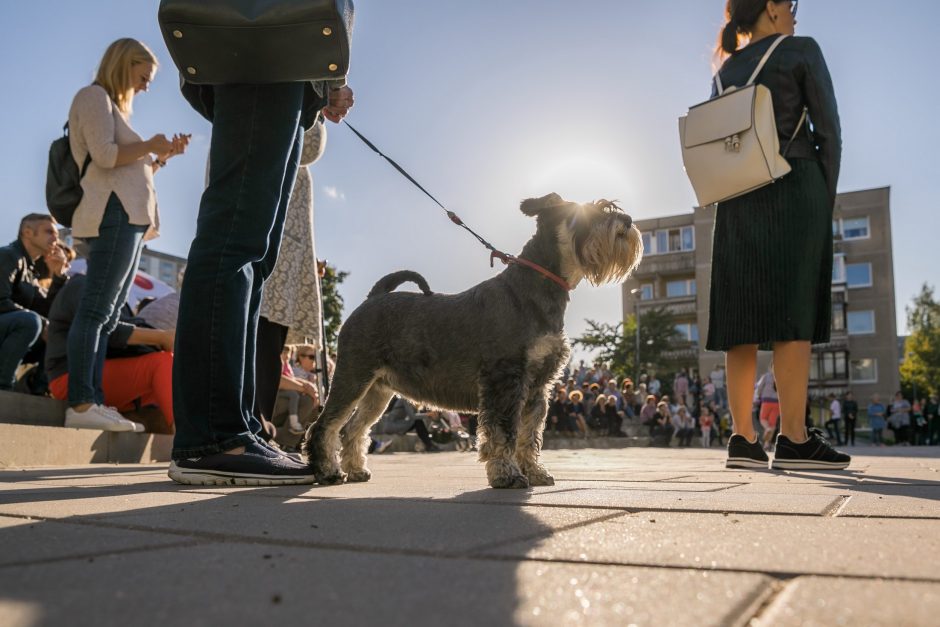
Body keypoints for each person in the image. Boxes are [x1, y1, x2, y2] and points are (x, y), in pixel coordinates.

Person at [167, 30, 355, 485]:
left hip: (283, 61)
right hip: (263, 49)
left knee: (254, 257)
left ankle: (239, 427)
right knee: (234, 242)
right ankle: (213, 437)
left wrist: (325, 80)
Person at [706, 0, 848, 470]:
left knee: (739, 317)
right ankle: (793, 437)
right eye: (790, 3)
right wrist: (822, 200)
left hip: (738, 196)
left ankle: (743, 440)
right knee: (794, 311)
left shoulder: (724, 73)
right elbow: (829, 130)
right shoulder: (800, 49)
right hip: (795, 186)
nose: (794, 11)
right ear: (770, 7)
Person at [66, 39, 188, 431]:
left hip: (129, 219)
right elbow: (104, 155)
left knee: (107, 315)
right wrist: (148, 144)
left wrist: (159, 158)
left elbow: (125, 168)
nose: (147, 85)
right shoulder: (93, 97)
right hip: (112, 216)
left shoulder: (112, 107)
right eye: (144, 76)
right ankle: (83, 404)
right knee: (98, 311)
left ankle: (92, 401)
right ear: (125, 64)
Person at [254, 119, 329, 435]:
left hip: (283, 251)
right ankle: (254, 428)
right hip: (273, 251)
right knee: (264, 342)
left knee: (267, 343)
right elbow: (309, 145)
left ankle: (258, 428)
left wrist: (304, 259)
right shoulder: (293, 108)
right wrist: (320, 106)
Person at [46, 274, 175, 431]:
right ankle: (188, 441)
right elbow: (107, 331)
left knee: (178, 375)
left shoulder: (116, 297)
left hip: (100, 378)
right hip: (70, 377)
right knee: (163, 363)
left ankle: (187, 437)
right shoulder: (83, 285)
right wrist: (161, 337)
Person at [0, 215, 68, 392]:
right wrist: (42, 321)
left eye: (56, 234)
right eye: (49, 232)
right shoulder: (8, 256)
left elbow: (50, 312)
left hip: (10, 332)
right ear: (28, 232)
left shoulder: (31, 270)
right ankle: (4, 388)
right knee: (30, 321)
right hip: (7, 328)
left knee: (60, 330)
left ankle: (40, 390)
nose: (56, 238)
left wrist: (59, 276)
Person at [372, 397, 438, 452]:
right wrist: (428, 414)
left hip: (399, 424)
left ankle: (429, 444)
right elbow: (413, 416)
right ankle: (429, 445)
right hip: (392, 425)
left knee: (418, 422)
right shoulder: (405, 399)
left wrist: (429, 414)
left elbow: (417, 415)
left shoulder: (412, 402)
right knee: (417, 422)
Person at [755, 368, 779, 451]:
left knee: (763, 419)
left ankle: (767, 428)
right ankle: (766, 444)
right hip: (777, 402)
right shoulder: (780, 376)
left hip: (766, 401)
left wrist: (758, 395)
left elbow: (759, 387)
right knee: (772, 424)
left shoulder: (766, 376)